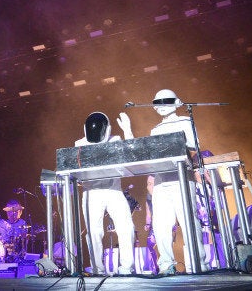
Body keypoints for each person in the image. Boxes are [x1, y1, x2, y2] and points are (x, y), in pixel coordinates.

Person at [122, 89, 209, 275]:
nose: (160, 105)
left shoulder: (186, 122)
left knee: (189, 221)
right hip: (161, 180)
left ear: (177, 102)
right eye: (157, 102)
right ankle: (166, 264)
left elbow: (194, 148)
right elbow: (146, 154)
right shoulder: (156, 130)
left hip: (181, 178)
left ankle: (198, 263)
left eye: (165, 101)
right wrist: (128, 133)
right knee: (160, 223)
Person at [75, 111, 136, 275]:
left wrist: (128, 132)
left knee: (126, 227)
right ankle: (97, 269)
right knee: (94, 232)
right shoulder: (79, 144)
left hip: (113, 190)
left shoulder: (115, 140)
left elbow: (133, 155)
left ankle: (126, 268)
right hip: (91, 192)